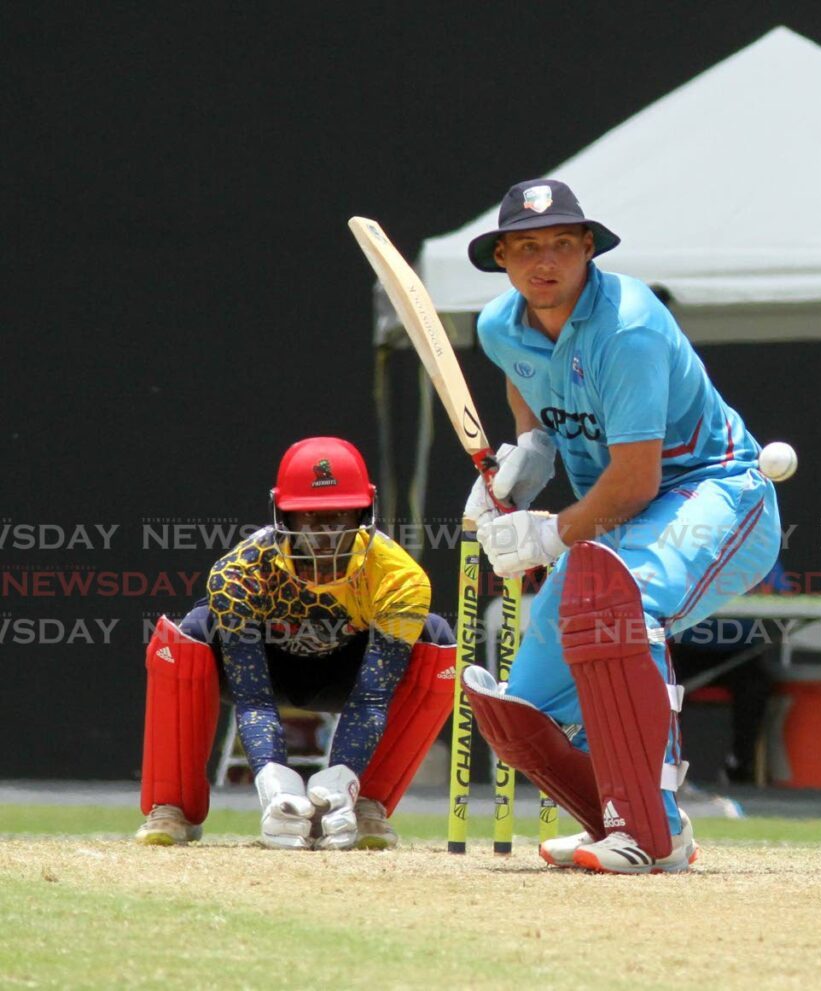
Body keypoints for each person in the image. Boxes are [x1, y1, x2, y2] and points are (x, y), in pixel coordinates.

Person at [459, 179, 782, 874]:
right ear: (503, 259)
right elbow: (532, 396)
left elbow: (635, 481)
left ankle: (653, 832)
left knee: (624, 599)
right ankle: (617, 813)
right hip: (621, 525)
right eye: (526, 247)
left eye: (558, 245)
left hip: (717, 494)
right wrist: (525, 456)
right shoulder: (497, 327)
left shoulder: (627, 326)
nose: (543, 261)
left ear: (585, 249)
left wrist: (547, 535)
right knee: (525, 712)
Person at [135, 436, 456, 849]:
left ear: (364, 511)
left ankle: (364, 807)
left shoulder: (398, 578)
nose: (325, 536)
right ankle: (172, 808)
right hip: (266, 669)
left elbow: (371, 699)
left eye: (339, 517)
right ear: (282, 513)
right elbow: (253, 698)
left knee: (436, 638)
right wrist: (273, 779)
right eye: (310, 518)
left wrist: (343, 776)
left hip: (350, 675)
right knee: (186, 636)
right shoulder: (240, 572)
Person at [669, 559, 786, 785]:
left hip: (738, 649)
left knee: (755, 686)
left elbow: (781, 592)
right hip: (689, 647)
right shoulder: (687, 550)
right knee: (661, 689)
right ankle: (666, 766)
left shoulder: (756, 546)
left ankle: (741, 766)